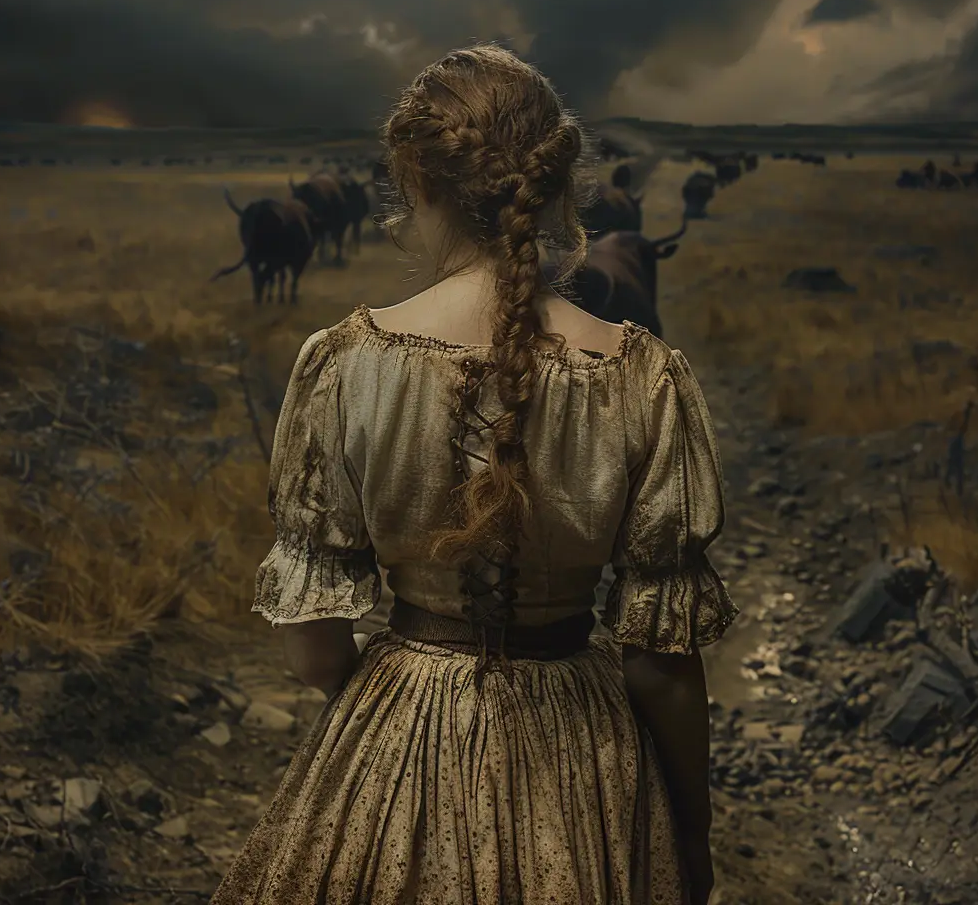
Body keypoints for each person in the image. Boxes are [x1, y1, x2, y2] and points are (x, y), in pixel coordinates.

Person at [208, 44, 740, 905]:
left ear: (414, 185)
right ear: (562, 186)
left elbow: (312, 649)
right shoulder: (645, 376)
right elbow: (661, 667)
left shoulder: (343, 363)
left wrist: (394, 723)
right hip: (582, 746)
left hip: (396, 725)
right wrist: (690, 830)